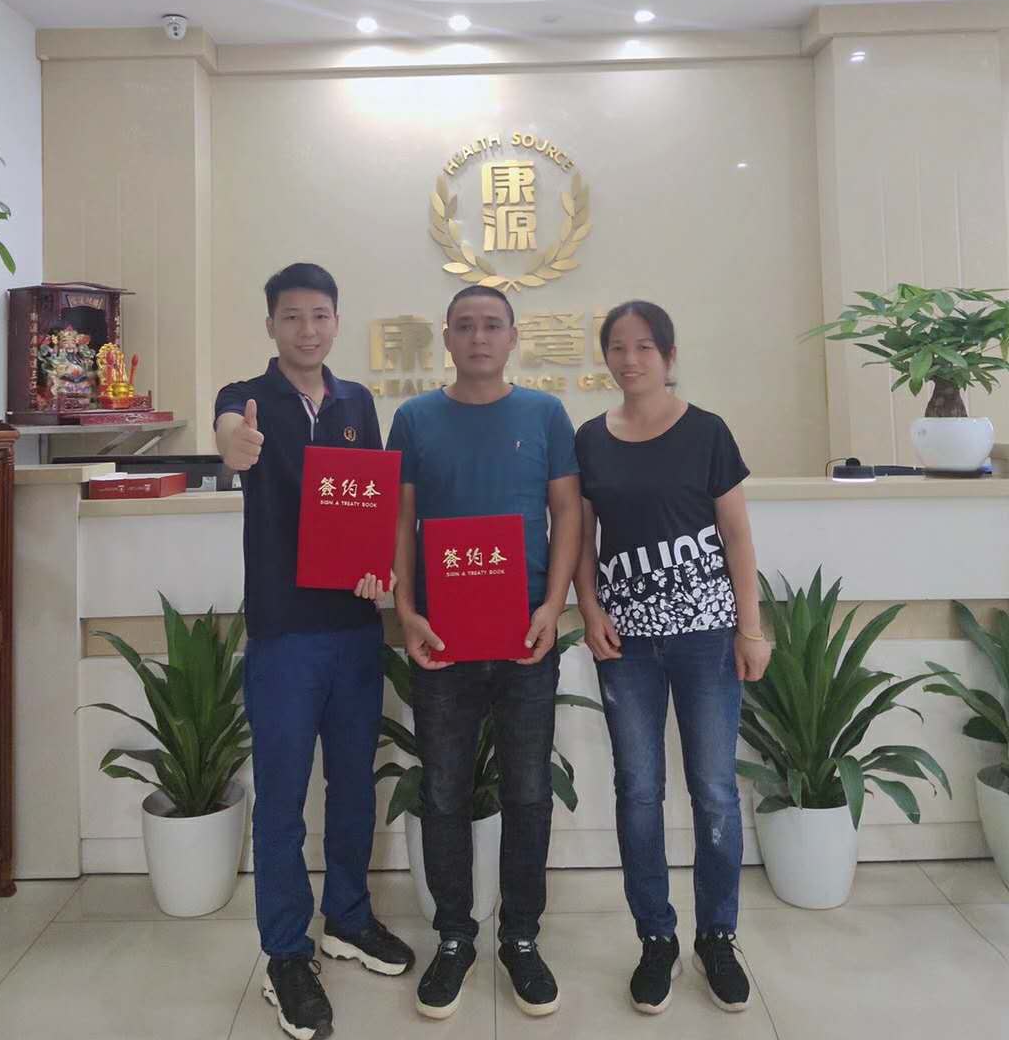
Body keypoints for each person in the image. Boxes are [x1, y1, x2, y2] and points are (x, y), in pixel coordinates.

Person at [215, 263, 414, 1040]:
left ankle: (349, 918)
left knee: (353, 786)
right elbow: (230, 440)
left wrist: (381, 568)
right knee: (284, 798)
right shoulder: (246, 398)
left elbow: (375, 503)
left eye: (320, 315)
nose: (308, 329)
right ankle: (286, 953)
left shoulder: (357, 402)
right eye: (292, 316)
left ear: (336, 320)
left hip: (355, 628)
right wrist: (236, 444)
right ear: (271, 325)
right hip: (285, 634)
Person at [387, 285, 582, 1021]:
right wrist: (407, 612)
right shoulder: (414, 419)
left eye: (492, 325)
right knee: (444, 791)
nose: (478, 337)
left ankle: (522, 938)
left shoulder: (545, 414)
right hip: (442, 641)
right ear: (445, 336)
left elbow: (567, 512)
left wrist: (553, 605)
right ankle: (454, 937)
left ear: (513, 336)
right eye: (465, 326)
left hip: (527, 636)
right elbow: (401, 522)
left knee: (528, 791)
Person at [573, 300, 771, 1017]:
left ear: (669, 355)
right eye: (618, 348)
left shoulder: (706, 432)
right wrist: (589, 610)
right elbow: (581, 538)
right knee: (638, 789)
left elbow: (737, 535)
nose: (630, 360)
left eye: (645, 347)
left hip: (706, 639)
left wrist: (751, 630)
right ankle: (656, 938)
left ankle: (717, 937)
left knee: (714, 789)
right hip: (625, 645)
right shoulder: (589, 440)